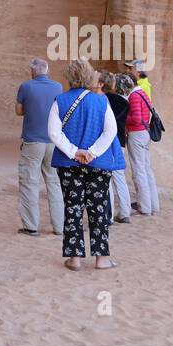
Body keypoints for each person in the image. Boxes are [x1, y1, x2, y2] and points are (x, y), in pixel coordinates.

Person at [47, 58, 125, 270]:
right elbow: (111, 131)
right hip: (97, 163)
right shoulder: (101, 102)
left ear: (69, 77)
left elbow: (54, 133)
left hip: (68, 163)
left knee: (73, 208)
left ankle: (75, 258)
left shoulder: (60, 101)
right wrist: (92, 153)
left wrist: (74, 152)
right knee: (98, 208)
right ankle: (102, 258)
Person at [15, 58, 64, 237]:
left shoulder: (26, 87)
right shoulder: (58, 87)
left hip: (33, 141)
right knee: (54, 182)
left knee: (29, 182)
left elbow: (18, 110)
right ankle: (60, 226)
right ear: (47, 70)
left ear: (32, 71)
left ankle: (31, 226)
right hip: (53, 141)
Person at [124, 61, 160, 216]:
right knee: (146, 168)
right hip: (145, 133)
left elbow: (136, 118)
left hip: (137, 133)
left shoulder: (134, 95)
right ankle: (153, 205)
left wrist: (123, 119)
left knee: (138, 170)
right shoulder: (144, 91)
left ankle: (144, 206)